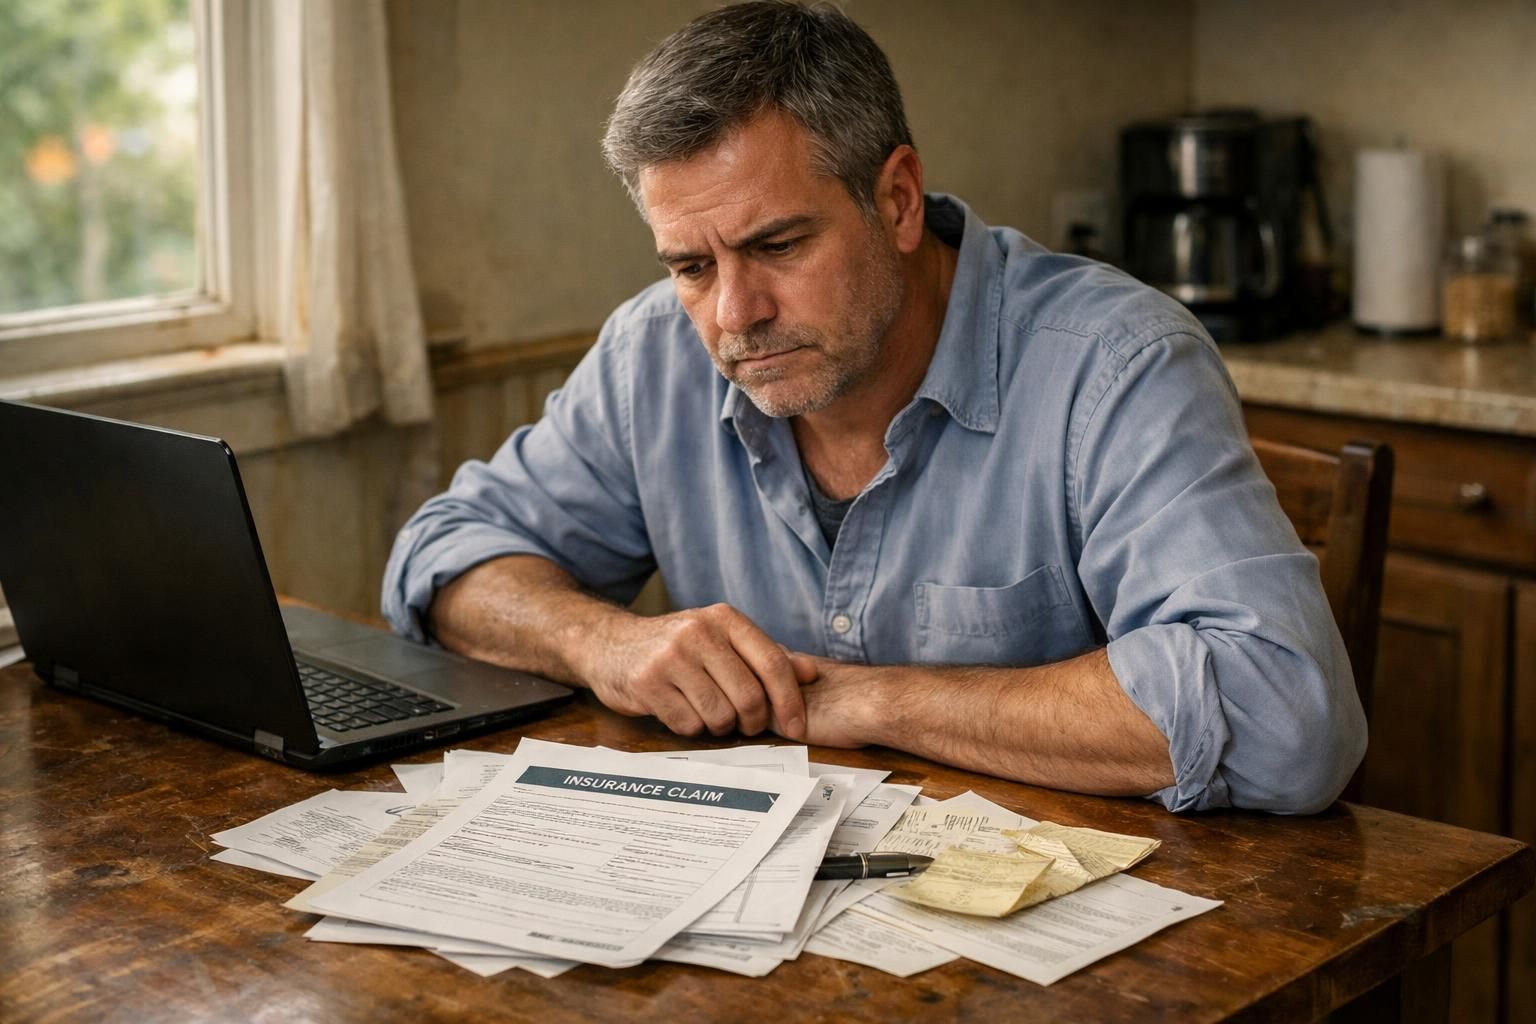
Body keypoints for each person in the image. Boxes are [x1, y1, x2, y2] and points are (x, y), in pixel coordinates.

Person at [382, 0, 1365, 814]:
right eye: (690, 264)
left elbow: (1287, 716)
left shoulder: (1116, 363)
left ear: (896, 200)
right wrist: (606, 643)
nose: (735, 315)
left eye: (777, 245)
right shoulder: (655, 352)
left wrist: (874, 698)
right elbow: (444, 558)